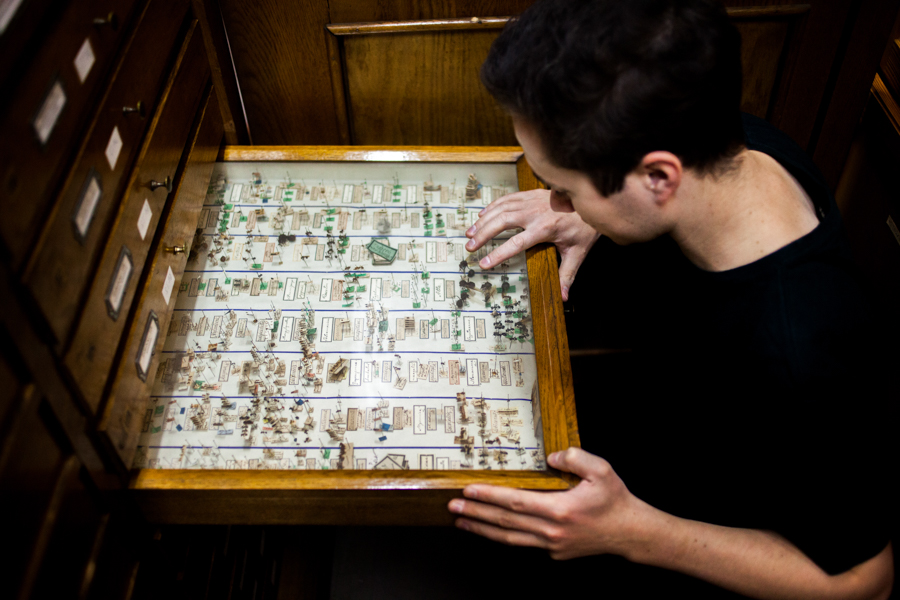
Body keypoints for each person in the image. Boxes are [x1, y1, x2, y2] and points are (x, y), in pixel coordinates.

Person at [447, 0, 895, 598]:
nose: (556, 201)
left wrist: (633, 533)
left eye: (565, 187)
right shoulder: (737, 141)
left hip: (685, 537)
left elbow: (866, 581)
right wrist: (596, 216)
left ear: (658, 179)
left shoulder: (801, 347)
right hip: (664, 438)